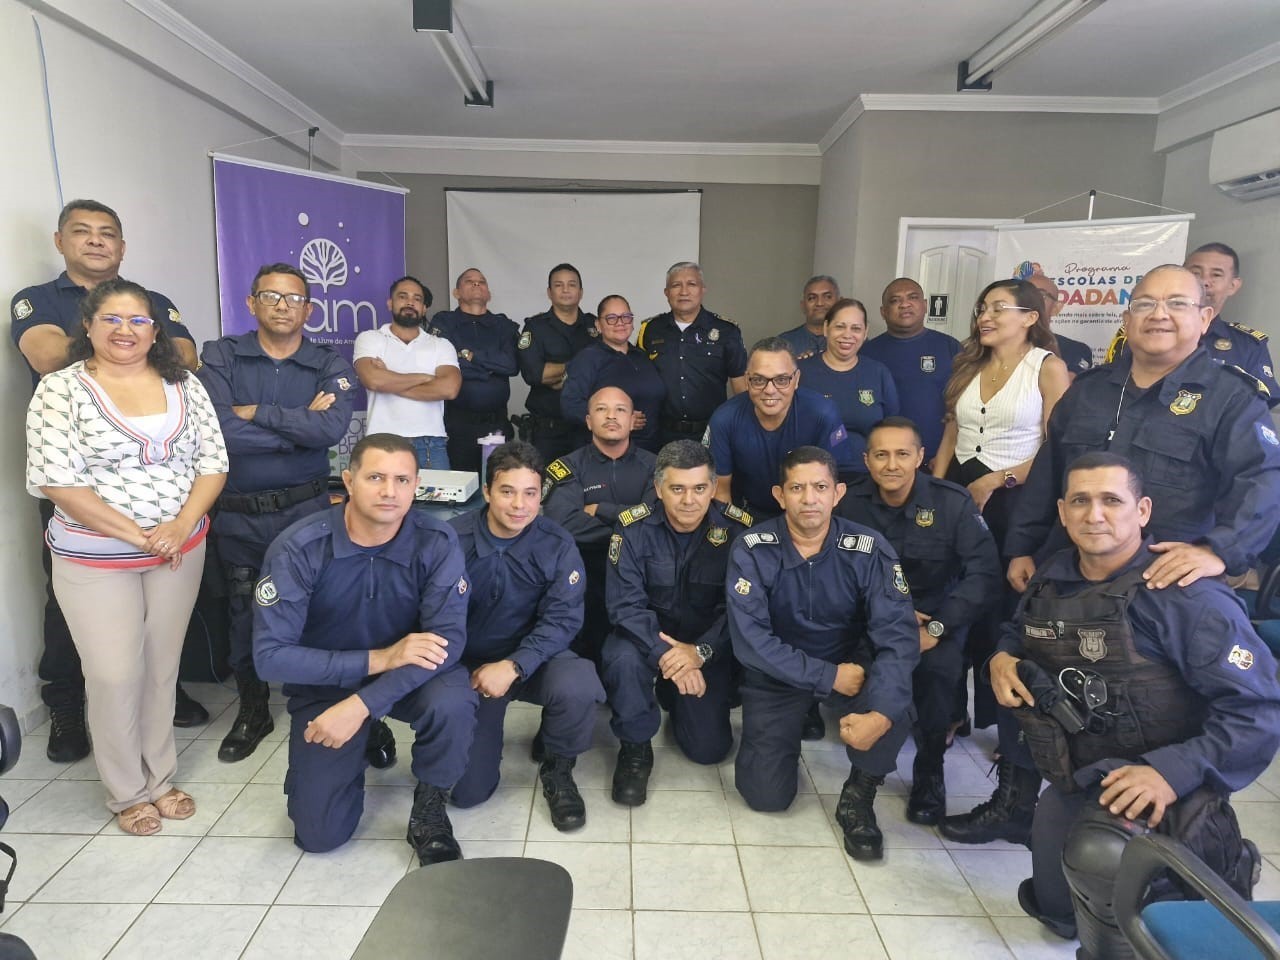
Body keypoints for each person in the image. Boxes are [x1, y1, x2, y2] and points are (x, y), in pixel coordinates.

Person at [948, 264, 1280, 849]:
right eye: (1145, 303)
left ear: (1205, 317)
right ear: (1127, 317)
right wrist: (1024, 544)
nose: (1159, 315)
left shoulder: (1229, 398)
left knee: (1151, 708)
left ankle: (1160, 834)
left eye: (1176, 304)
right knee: (1034, 685)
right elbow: (1051, 471)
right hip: (1069, 574)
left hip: (1161, 588)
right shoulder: (1093, 390)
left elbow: (1263, 479)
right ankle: (1016, 804)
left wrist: (1219, 551)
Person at [988, 453, 1280, 955]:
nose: (1094, 515)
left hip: (1167, 788)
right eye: (1080, 501)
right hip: (1080, 774)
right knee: (1056, 907)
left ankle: (1217, 867)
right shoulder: (1053, 575)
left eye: (1111, 500)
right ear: (1062, 512)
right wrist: (1002, 655)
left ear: (1142, 511)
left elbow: (1259, 710)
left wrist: (1170, 772)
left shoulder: (1186, 597)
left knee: (1106, 877)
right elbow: (1022, 629)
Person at [25, 279, 228, 834]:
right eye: (111, 319)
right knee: (114, 674)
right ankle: (127, 792)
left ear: (154, 330)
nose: (125, 330)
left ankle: (159, 779)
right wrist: (140, 536)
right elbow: (57, 481)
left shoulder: (183, 383)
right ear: (87, 326)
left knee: (162, 668)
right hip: (94, 555)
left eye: (138, 320)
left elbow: (213, 462)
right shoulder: (60, 390)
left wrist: (180, 526)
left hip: (179, 549)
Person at [11, 199, 205, 760]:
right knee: (72, 614)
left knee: (159, 632)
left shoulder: (153, 299)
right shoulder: (39, 300)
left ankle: (156, 712)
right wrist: (124, 350)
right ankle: (67, 707)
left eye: (108, 234)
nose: (96, 241)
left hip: (168, 505)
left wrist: (119, 344)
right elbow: (46, 355)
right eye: (83, 232)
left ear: (122, 246)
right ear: (60, 241)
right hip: (83, 497)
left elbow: (186, 356)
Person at [252, 433, 477, 862]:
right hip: (327, 682)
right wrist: (378, 661)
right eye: (376, 477)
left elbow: (447, 642)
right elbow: (269, 658)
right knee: (319, 835)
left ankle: (429, 809)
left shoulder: (436, 540)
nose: (390, 491)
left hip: (407, 675)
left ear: (417, 486)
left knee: (453, 700)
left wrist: (362, 704)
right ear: (349, 481)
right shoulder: (300, 548)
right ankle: (365, 736)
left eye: (402, 480)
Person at [726, 447, 919, 860]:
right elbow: (751, 640)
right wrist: (826, 676)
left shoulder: (868, 548)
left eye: (820, 487)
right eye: (797, 488)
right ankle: (789, 730)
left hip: (851, 666)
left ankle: (859, 794)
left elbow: (898, 636)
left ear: (838, 493)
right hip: (778, 674)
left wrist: (881, 714)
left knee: (895, 700)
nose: (809, 499)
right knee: (765, 796)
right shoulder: (752, 548)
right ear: (780, 495)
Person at [198, 263, 356, 764]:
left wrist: (257, 412)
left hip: (306, 513)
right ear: (251, 303)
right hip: (239, 516)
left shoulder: (328, 362)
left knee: (327, 609)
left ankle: (339, 706)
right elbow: (217, 429)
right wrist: (296, 428)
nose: (283, 306)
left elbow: (330, 429)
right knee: (245, 614)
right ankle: (253, 709)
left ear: (309, 309)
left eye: (294, 298)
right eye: (271, 296)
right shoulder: (222, 356)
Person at [837, 417, 1001, 825]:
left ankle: (930, 768)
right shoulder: (849, 502)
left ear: (920, 457)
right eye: (881, 455)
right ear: (866, 460)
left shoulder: (952, 503)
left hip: (935, 621)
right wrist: (888, 612)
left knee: (939, 672)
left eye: (902, 454)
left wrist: (938, 627)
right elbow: (835, 571)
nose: (891, 464)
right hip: (870, 616)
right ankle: (865, 772)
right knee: (872, 672)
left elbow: (983, 573)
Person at [932, 279, 1069, 738]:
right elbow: (952, 431)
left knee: (1002, 609)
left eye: (997, 308)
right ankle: (949, 710)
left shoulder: (1046, 367)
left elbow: (1055, 447)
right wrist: (935, 487)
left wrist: (999, 479)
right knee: (950, 600)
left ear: (1029, 317)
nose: (984, 317)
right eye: (981, 308)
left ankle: (1006, 725)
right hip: (959, 492)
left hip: (1014, 500)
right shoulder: (969, 363)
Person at [449, 441, 604, 831]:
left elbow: (563, 620)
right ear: (487, 492)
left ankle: (558, 767)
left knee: (579, 682)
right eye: (507, 491)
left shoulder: (557, 543)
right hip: (469, 667)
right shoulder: (451, 540)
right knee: (469, 793)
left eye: (530, 493)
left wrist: (515, 664)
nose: (520, 505)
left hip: (533, 659)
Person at [602, 440, 751, 806]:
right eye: (677, 489)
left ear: (713, 488)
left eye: (699, 488)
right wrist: (668, 656)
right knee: (620, 657)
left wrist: (700, 652)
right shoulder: (632, 528)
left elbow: (740, 609)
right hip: (646, 639)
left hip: (706, 644)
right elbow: (625, 606)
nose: (689, 500)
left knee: (708, 750)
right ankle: (635, 747)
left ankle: (672, 693)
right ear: (659, 489)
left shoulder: (738, 531)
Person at [542, 387, 658, 662]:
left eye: (620, 410)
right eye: (601, 409)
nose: (611, 416)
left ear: (632, 420)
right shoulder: (567, 467)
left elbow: (656, 519)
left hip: (643, 575)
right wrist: (629, 528)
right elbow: (564, 522)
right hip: (586, 574)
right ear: (588, 421)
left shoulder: (656, 467)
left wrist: (600, 509)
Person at [1105, 244, 1280, 404]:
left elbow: (1259, 403)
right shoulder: (1142, 330)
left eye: (1216, 275)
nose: (1204, 281)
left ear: (1233, 285)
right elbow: (1110, 388)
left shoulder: (1247, 345)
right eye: (1195, 273)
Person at [705, 337, 855, 522]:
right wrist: (731, 533)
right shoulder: (725, 419)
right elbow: (721, 492)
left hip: (808, 511)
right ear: (747, 380)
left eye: (782, 380)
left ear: (796, 379)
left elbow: (832, 486)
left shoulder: (822, 414)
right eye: (758, 380)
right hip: (747, 514)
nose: (770, 390)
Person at [353, 275, 460, 469]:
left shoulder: (441, 345)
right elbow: (373, 380)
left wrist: (389, 379)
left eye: (417, 299)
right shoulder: (370, 339)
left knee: (436, 492)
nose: (410, 302)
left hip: (431, 445)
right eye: (403, 296)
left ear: (424, 308)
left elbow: (450, 389)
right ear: (390, 303)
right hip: (382, 442)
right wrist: (425, 378)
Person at [636, 262, 747, 447]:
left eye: (691, 284)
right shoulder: (651, 329)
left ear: (703, 289)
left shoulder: (726, 331)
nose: (684, 291)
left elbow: (741, 386)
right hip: (661, 434)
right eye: (676, 285)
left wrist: (744, 425)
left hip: (711, 432)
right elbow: (637, 378)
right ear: (666, 292)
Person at [862, 278, 962, 463]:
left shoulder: (950, 347)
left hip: (940, 459)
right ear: (883, 312)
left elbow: (964, 406)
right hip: (885, 460)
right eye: (895, 300)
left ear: (925, 305)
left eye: (912, 297)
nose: (904, 304)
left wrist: (946, 456)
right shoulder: (866, 353)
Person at [429, 268, 519, 472]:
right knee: (462, 487)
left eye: (482, 281)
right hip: (458, 427)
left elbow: (511, 365)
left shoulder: (503, 325)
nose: (477, 284)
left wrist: (471, 356)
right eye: (469, 281)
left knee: (499, 483)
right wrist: (488, 370)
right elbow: (439, 366)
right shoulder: (444, 322)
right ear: (456, 292)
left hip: (497, 425)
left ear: (489, 294)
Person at [797, 298, 899, 469]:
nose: (847, 335)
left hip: (868, 473)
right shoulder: (800, 372)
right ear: (826, 328)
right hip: (812, 474)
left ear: (865, 332)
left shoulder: (878, 373)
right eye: (840, 326)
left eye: (856, 328)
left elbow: (892, 429)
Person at [561, 295, 666, 452]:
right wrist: (619, 416)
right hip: (606, 452)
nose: (620, 323)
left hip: (649, 452)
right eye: (611, 318)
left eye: (626, 317)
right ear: (598, 325)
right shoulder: (588, 358)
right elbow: (570, 405)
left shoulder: (642, 356)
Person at [516, 264, 598, 461]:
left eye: (572, 284)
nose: (566, 290)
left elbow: (608, 368)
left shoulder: (595, 325)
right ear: (549, 292)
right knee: (546, 481)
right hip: (548, 433)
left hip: (588, 429)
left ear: (581, 292)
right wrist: (582, 368)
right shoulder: (535, 327)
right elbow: (534, 374)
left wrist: (559, 374)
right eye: (559, 285)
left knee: (590, 480)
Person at [1026, 272, 1094, 377]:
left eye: (1040, 295)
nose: (1029, 301)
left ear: (1056, 308)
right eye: (1023, 295)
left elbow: (1066, 384)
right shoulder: (1001, 345)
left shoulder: (1074, 350)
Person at [778, 275, 840, 356]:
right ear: (803, 305)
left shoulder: (850, 341)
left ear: (840, 302)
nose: (820, 303)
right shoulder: (784, 343)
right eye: (812, 298)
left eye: (827, 297)